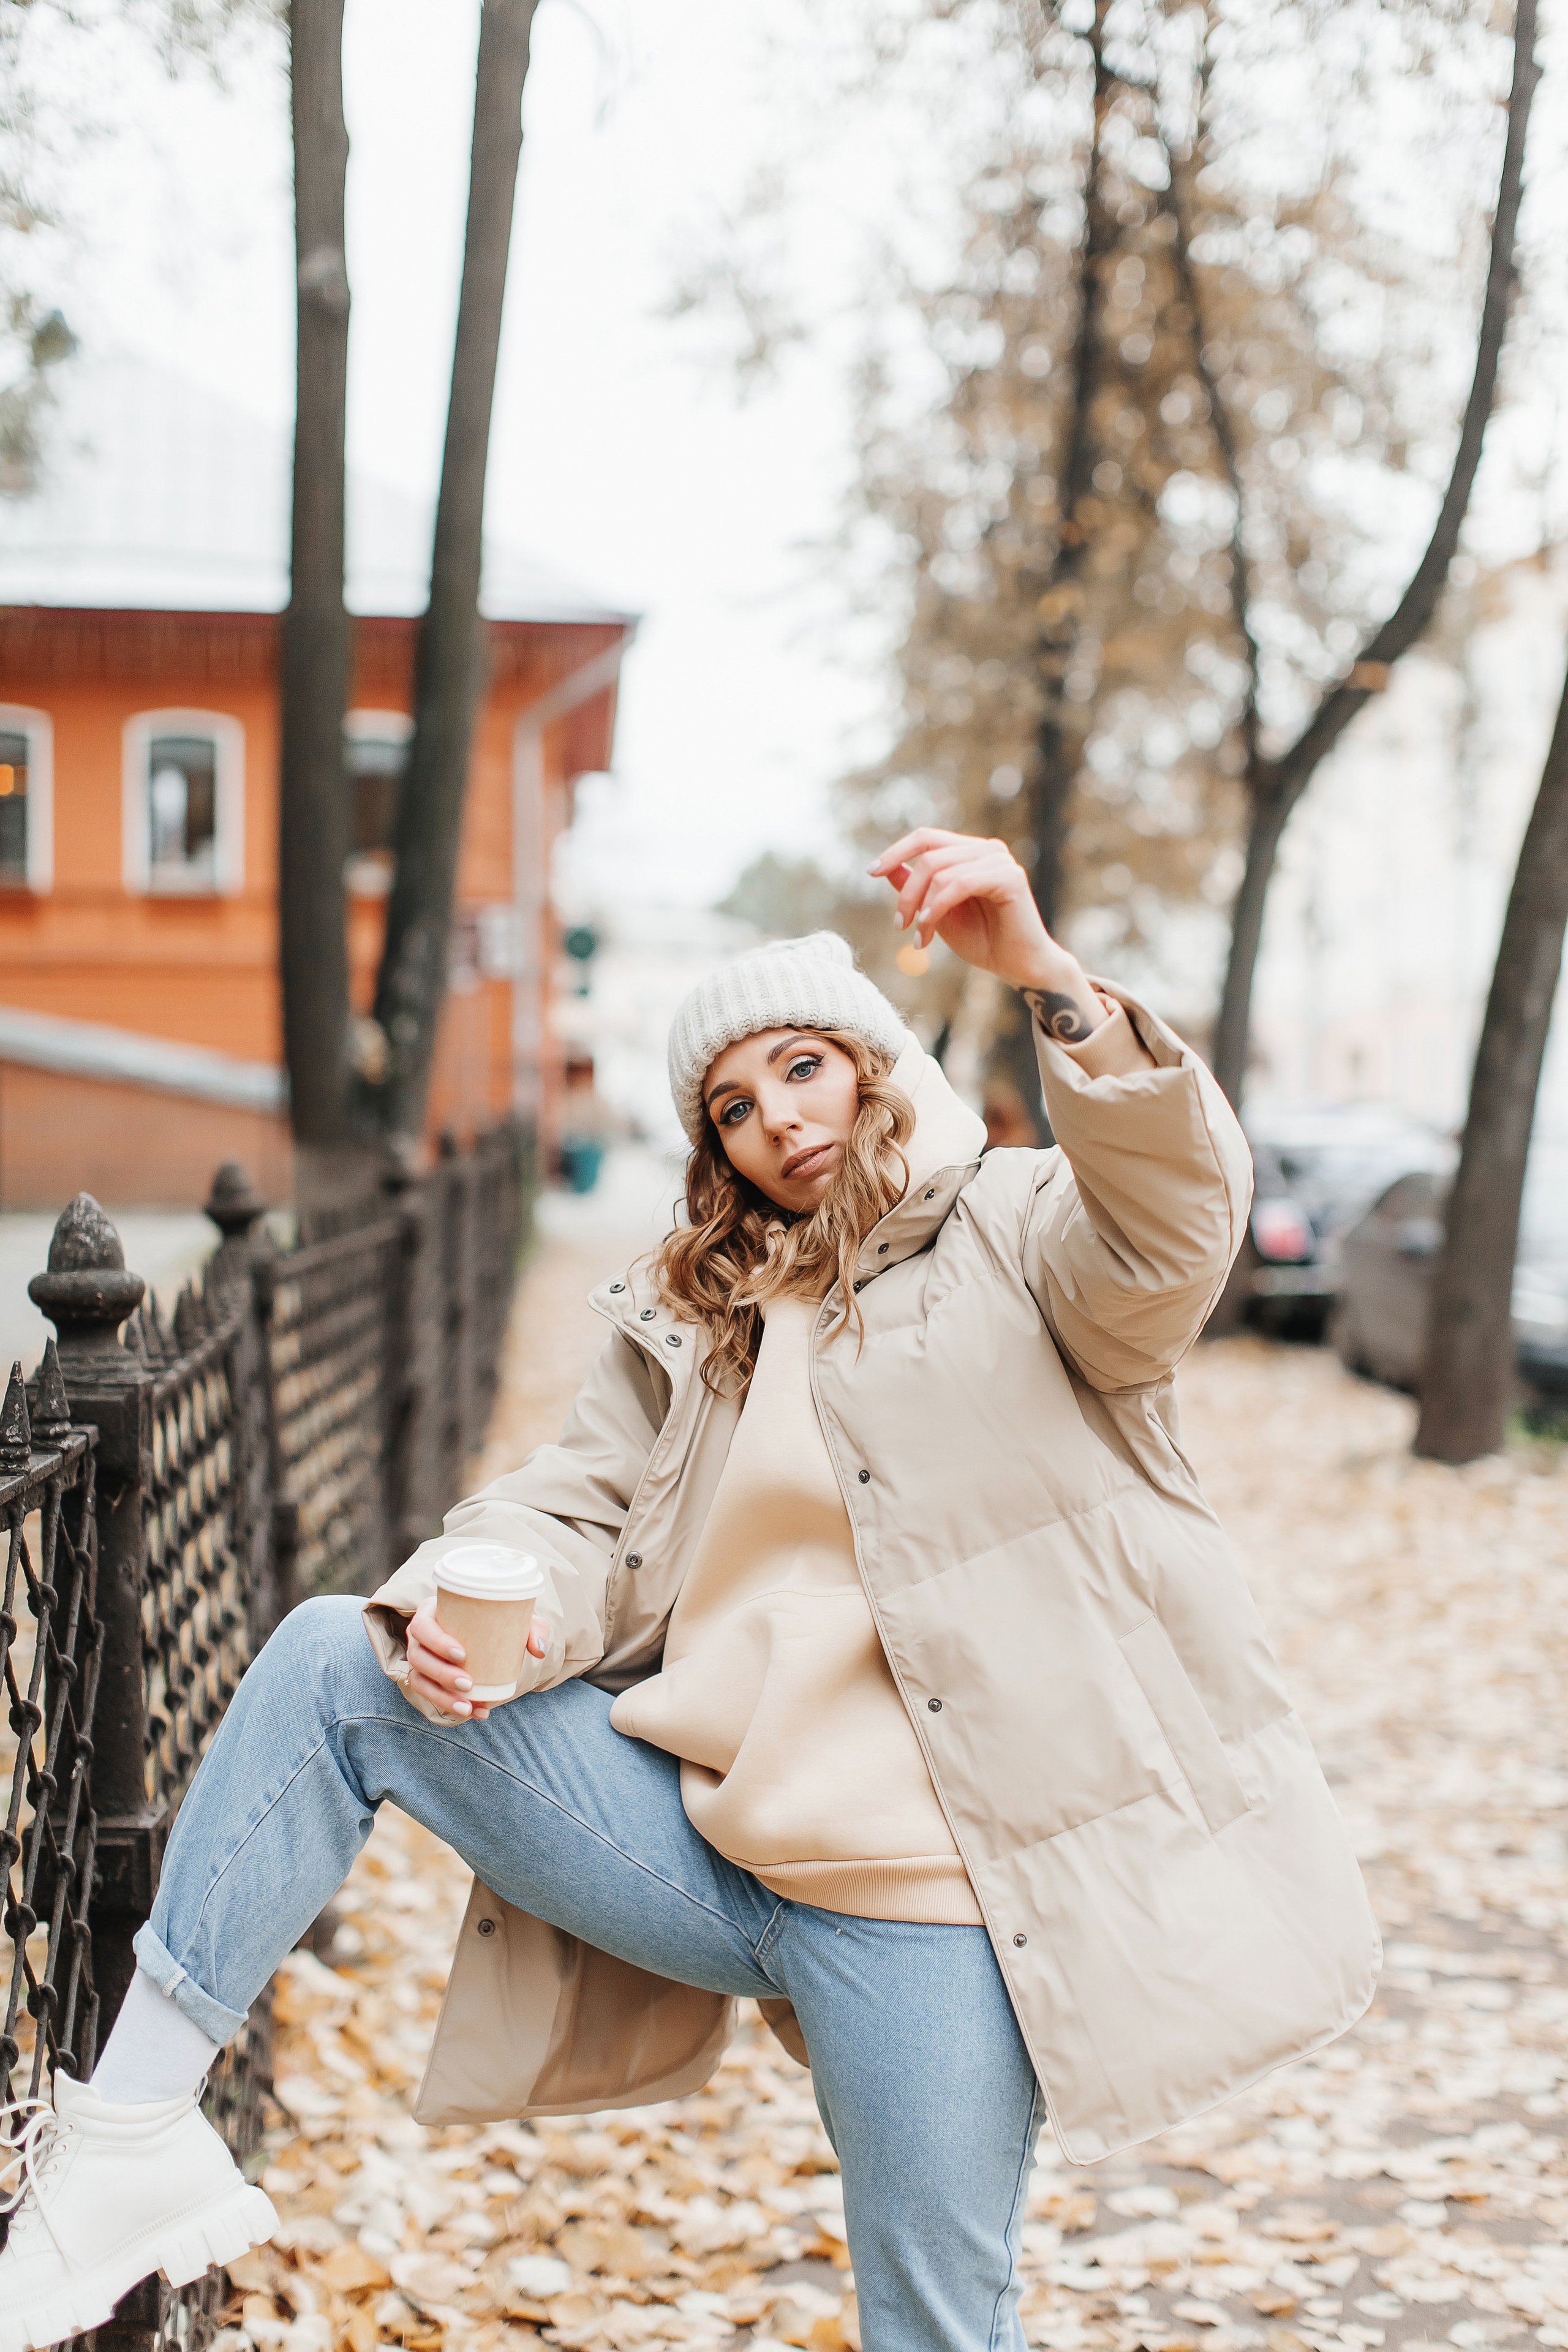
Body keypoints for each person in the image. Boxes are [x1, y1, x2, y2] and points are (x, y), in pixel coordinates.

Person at [0, 830, 1380, 2352]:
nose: (775, 1118)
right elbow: (579, 1507)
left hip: (929, 1912)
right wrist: (481, 1612)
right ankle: (129, 2135)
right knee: (341, 1659)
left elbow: (1175, 1223)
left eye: (801, 1068)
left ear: (868, 1062)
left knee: (933, 2322)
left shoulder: (1020, 1231)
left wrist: (1050, 982)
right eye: (732, 1104)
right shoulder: (692, 1317)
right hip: (707, 1852)